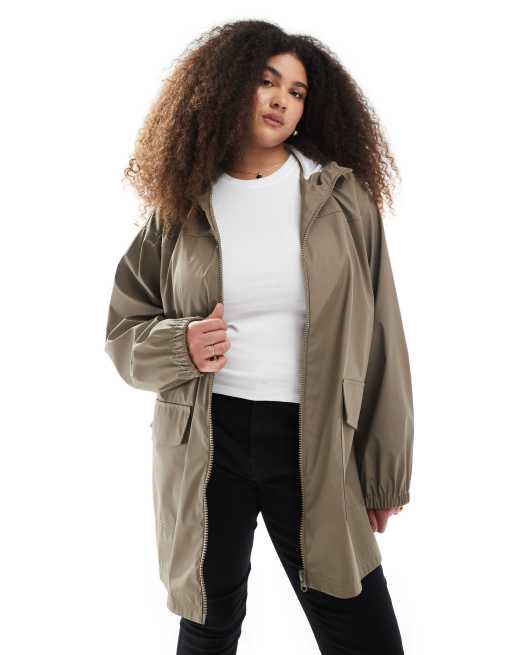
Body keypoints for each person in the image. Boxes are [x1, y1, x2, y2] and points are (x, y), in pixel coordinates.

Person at [104, 19, 414, 655]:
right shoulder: (182, 204)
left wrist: (384, 473)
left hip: (313, 438)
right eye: (266, 82)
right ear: (227, 87)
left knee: (364, 630)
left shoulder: (340, 197)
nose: (281, 100)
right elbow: (124, 328)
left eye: (297, 92)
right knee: (208, 625)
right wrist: (181, 345)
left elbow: (383, 334)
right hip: (206, 439)